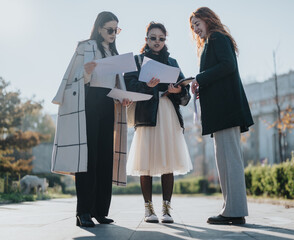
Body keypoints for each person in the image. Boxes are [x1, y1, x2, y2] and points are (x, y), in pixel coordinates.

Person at [51, 11, 131, 227]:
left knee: (106, 157)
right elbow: (71, 78)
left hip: (108, 104)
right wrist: (86, 73)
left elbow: (116, 83)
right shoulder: (85, 47)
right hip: (88, 103)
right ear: (99, 28)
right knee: (88, 159)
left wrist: (124, 97)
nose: (114, 33)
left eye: (116, 29)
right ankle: (83, 212)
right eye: (110, 29)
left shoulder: (113, 51)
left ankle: (100, 211)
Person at [189, 7, 254, 225]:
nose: (196, 29)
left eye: (197, 23)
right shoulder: (212, 40)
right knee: (225, 162)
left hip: (226, 111)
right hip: (222, 112)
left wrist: (199, 78)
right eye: (193, 26)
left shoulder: (217, 37)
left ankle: (234, 211)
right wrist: (201, 83)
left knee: (230, 161)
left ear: (208, 19)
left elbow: (228, 66)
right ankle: (231, 209)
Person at [124, 22, 193, 224]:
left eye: (161, 39)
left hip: (167, 114)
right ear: (146, 39)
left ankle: (167, 209)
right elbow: (129, 87)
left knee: (168, 161)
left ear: (165, 41)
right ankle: (148, 209)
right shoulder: (136, 61)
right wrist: (147, 85)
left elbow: (185, 94)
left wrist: (178, 90)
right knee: (145, 163)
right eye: (153, 38)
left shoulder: (172, 62)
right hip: (146, 115)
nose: (157, 42)